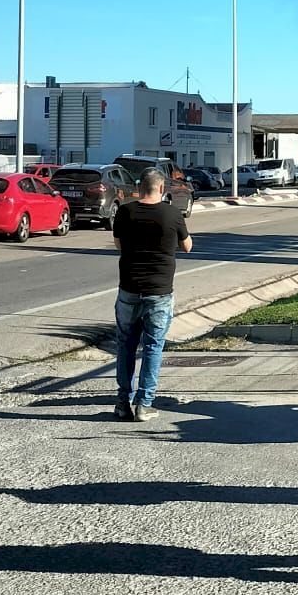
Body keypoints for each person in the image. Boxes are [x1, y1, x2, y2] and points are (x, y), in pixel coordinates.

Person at [112, 167, 192, 421]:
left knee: (126, 345)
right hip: (159, 291)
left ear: (139, 188)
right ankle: (144, 404)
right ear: (161, 188)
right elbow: (188, 246)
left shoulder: (125, 212)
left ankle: (122, 402)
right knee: (153, 346)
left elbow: (118, 244)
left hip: (129, 288)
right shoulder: (172, 213)